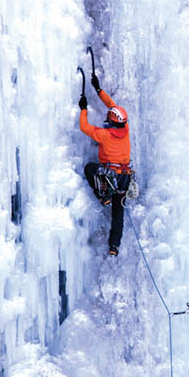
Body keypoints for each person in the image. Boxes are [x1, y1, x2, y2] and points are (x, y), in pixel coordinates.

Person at [78, 72, 132, 257]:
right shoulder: (125, 130)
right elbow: (112, 106)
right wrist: (99, 90)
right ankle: (114, 247)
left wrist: (83, 109)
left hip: (109, 178)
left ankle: (103, 197)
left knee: (89, 169)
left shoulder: (103, 134)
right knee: (119, 212)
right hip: (124, 179)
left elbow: (84, 127)